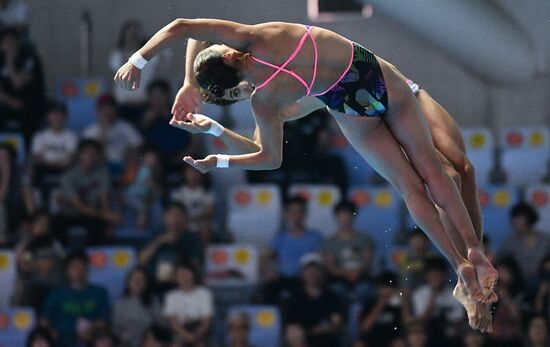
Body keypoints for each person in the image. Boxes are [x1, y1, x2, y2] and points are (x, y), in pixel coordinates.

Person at [115, 19, 498, 312]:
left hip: (348, 103)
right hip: (370, 78)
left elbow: (270, 158)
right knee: (434, 172)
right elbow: (185, 28)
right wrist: (143, 62)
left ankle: (461, 263)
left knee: (419, 185)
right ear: (230, 55)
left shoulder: (264, 101)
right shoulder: (261, 39)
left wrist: (219, 154)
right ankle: (472, 253)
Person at [55, 139, 120, 245]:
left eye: (95, 153)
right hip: (70, 214)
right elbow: (78, 206)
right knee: (56, 223)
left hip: (93, 215)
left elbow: (105, 200)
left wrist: (108, 221)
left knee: (100, 226)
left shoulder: (103, 173)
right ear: (79, 155)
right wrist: (105, 215)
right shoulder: (68, 176)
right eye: (88, 153)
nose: (91, 156)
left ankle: (93, 256)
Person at [41, 250, 111, 347]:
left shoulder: (100, 292)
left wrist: (92, 329)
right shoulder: (55, 294)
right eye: (74, 267)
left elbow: (104, 320)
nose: (79, 270)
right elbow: (44, 322)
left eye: (82, 266)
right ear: (67, 270)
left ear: (88, 269)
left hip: (92, 341)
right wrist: (51, 333)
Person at [138, 202, 202, 297]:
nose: (175, 219)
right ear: (164, 217)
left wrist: (177, 274)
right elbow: (141, 260)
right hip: (155, 284)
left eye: (179, 215)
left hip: (181, 284)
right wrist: (160, 241)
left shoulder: (192, 238)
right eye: (171, 215)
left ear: (185, 218)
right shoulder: (155, 235)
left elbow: (195, 265)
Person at [284, 253, 344, 347]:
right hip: (303, 339)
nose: (312, 273)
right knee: (294, 334)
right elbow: (291, 325)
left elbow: (336, 321)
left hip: (325, 340)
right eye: (308, 269)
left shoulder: (331, 297)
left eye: (316, 269)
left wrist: (325, 328)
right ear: (302, 273)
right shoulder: (294, 297)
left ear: (321, 272)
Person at [323, 199, 375, 301]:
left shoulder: (364, 239)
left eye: (348, 215)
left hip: (361, 278)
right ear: (337, 217)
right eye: (342, 215)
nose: (345, 219)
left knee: (365, 289)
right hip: (339, 279)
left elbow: (367, 261)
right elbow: (330, 267)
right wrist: (346, 274)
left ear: (353, 216)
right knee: (336, 290)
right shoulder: (330, 242)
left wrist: (356, 272)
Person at [109, 19, 160, 119]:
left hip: (143, 104)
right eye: (130, 32)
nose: (133, 35)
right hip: (122, 105)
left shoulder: (149, 55)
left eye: (136, 32)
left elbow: (162, 59)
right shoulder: (116, 55)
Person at [411, 256, 464, 346]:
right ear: (426, 276)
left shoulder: (454, 293)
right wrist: (434, 294)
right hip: (428, 337)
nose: (436, 279)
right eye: (432, 276)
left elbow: (458, 320)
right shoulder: (419, 294)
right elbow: (421, 321)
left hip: (450, 337)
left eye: (438, 276)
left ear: (445, 276)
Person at [31, 100, 79, 199]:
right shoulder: (39, 136)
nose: (56, 118)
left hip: (65, 171)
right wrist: (54, 164)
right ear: (48, 117)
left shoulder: (72, 136)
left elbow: (71, 158)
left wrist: (58, 164)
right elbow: (38, 158)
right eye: (53, 114)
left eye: (60, 114)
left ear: (65, 116)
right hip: (43, 171)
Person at [83, 93, 143, 171]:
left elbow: (139, 143)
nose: (108, 111)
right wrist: (103, 130)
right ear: (98, 111)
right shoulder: (90, 131)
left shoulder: (124, 126)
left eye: (110, 108)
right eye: (104, 108)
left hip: (123, 165)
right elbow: (89, 153)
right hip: (100, 167)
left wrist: (129, 152)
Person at [163, 261, 213, 347]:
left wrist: (196, 336)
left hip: (198, 330)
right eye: (180, 273)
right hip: (180, 330)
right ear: (176, 276)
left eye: (187, 272)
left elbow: (206, 320)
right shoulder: (171, 296)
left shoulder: (204, 293)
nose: (184, 275)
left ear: (193, 274)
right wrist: (187, 336)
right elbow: (172, 321)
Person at [499, 202, 550, 282]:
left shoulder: (545, 239)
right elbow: (500, 259)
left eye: (520, 219)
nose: (516, 223)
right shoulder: (511, 241)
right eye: (514, 219)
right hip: (519, 284)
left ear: (529, 219)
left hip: (544, 283)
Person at [357, 271, 409, 347]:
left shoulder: (397, 305)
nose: (386, 290)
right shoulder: (371, 303)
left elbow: (408, 323)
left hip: (392, 341)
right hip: (372, 340)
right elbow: (365, 327)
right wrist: (382, 302)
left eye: (389, 287)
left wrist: (404, 302)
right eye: (383, 286)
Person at [113, 266, 161, 347]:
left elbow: (160, 324)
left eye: (141, 279)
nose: (137, 282)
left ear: (146, 283)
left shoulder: (153, 301)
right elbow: (115, 329)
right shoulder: (119, 304)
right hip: (125, 342)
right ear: (128, 282)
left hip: (149, 341)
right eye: (134, 279)